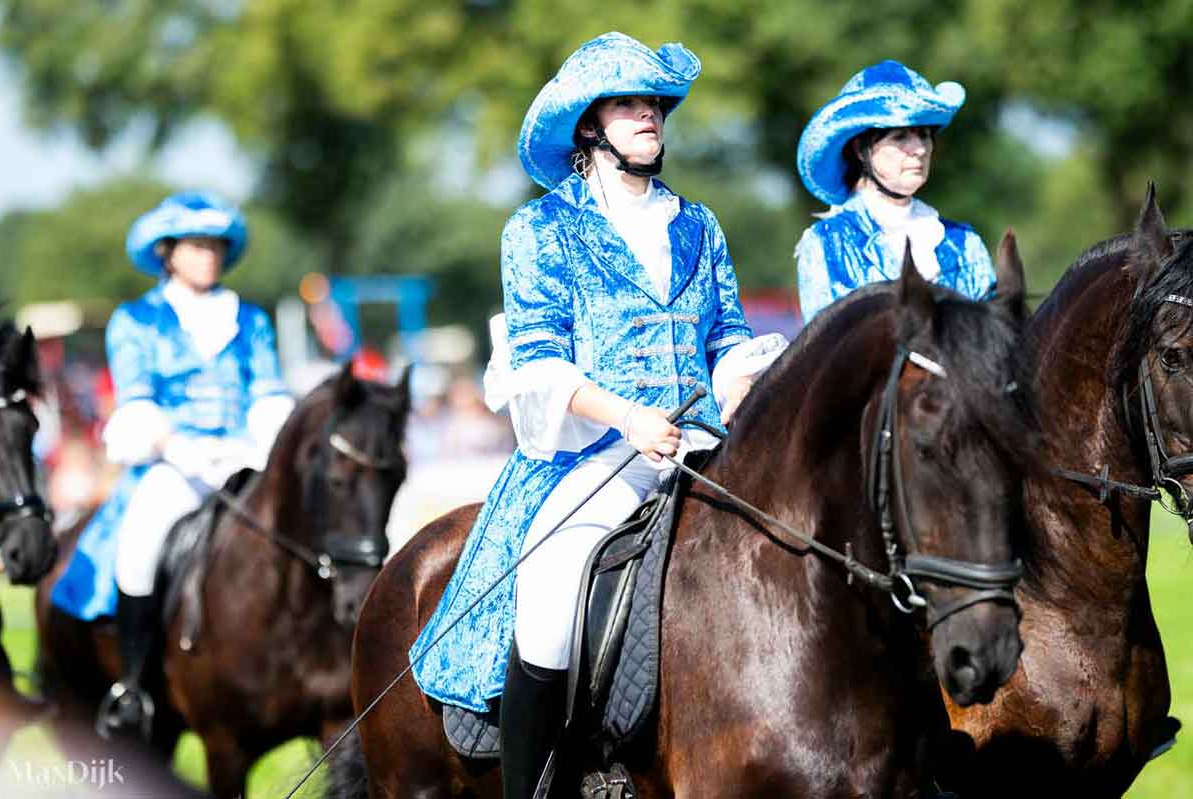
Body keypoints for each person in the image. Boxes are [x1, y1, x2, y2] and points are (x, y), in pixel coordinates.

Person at [408, 32, 787, 799]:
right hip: (597, 450)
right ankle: (538, 786)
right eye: (629, 103)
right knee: (550, 590)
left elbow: (728, 337)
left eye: (654, 103)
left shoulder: (700, 224)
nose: (650, 115)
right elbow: (539, 360)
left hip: (708, 440)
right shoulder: (540, 229)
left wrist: (740, 381)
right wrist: (630, 419)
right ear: (589, 127)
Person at [50, 191, 295, 739]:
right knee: (140, 543)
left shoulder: (250, 319)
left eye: (216, 245)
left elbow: (269, 392)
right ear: (168, 252)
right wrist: (179, 446)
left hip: (244, 454)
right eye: (197, 245)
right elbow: (136, 399)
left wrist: (257, 445)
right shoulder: (137, 319)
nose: (209, 254)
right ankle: (133, 686)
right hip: (174, 459)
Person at [794, 60, 996, 323]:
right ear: (860, 149)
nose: (920, 149)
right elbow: (829, 351)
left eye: (924, 135)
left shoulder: (965, 243)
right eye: (900, 137)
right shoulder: (827, 243)